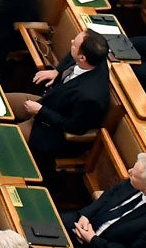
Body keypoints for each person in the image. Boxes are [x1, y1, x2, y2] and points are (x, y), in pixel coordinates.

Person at [13, 30, 112, 172]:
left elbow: (74, 127)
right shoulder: (94, 57)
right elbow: (71, 56)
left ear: (82, 58)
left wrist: (40, 111)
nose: (71, 42)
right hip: (51, 101)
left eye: (74, 44)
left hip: (52, 131)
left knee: (7, 136)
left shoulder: (90, 97)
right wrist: (57, 71)